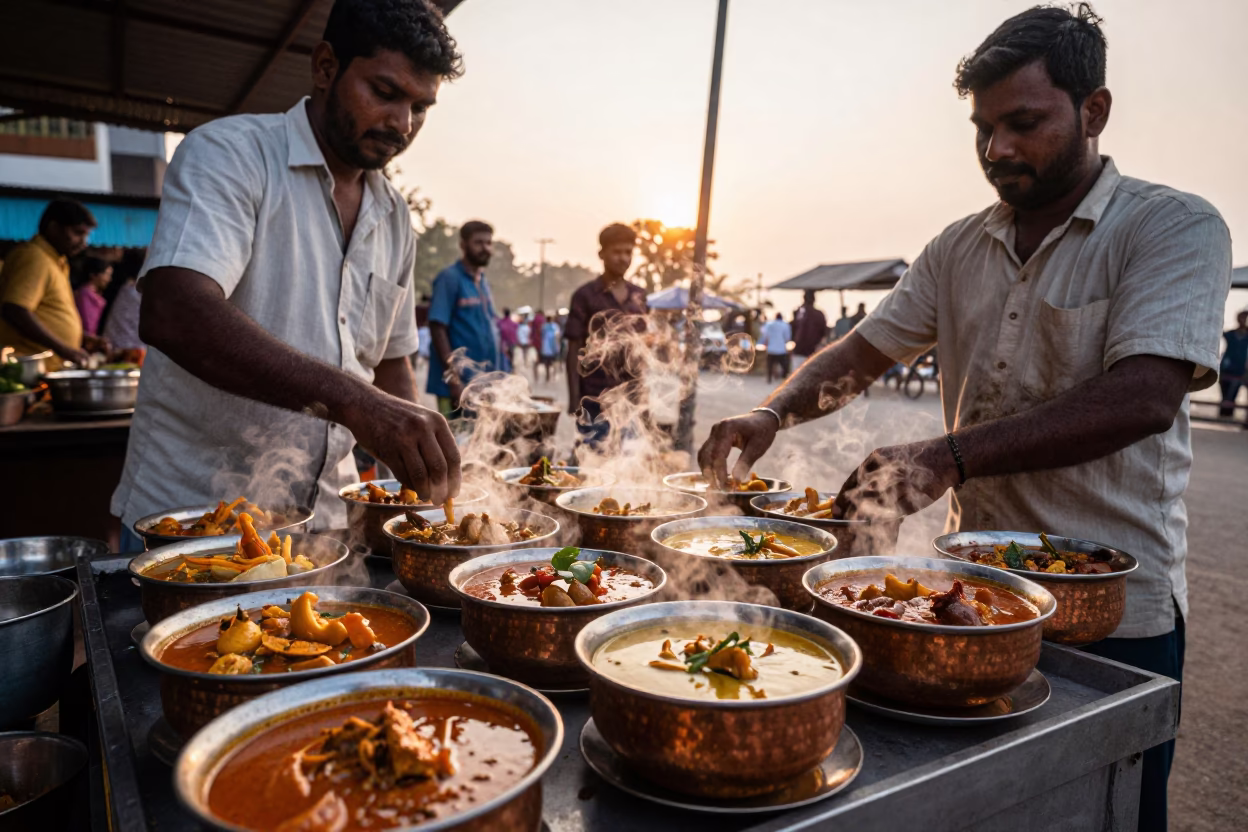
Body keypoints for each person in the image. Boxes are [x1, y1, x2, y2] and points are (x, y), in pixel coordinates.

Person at [698, 8, 1230, 831]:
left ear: (1094, 111)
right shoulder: (958, 247)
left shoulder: (1172, 226)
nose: (997, 151)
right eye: (982, 130)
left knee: (1106, 808)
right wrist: (769, 416)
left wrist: (948, 455)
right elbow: (862, 352)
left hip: (1113, 616)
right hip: (972, 600)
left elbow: (1143, 398)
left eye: (1023, 124)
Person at [111, 0, 465, 544]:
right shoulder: (232, 154)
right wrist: (356, 402)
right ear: (326, 67)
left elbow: (392, 367)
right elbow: (175, 310)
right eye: (385, 93)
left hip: (328, 524)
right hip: (198, 525)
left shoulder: (394, 217)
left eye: (421, 107)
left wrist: (423, 478)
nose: (402, 124)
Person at [564, 223, 648, 449]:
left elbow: (641, 350)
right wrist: (574, 397)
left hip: (629, 399)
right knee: (593, 461)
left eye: (628, 252)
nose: (623, 258)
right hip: (594, 398)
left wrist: (643, 394)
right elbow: (573, 349)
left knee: (629, 461)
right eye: (617, 252)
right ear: (602, 254)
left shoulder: (639, 296)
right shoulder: (585, 296)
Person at [0, 198, 98, 367]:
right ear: (53, 228)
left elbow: (46, 313)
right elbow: (15, 309)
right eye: (78, 233)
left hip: (48, 368)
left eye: (86, 235)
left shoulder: (55, 261)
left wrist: (83, 338)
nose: (84, 242)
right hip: (26, 368)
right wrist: (62, 348)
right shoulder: (34, 257)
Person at [427, 220, 501, 416]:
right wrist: (454, 380)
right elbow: (437, 328)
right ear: (463, 245)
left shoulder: (483, 281)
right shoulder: (449, 279)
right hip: (456, 386)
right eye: (478, 242)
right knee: (455, 442)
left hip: (482, 385)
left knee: (481, 443)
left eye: (488, 243)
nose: (485, 248)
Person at [1218, 311, 1247, 420]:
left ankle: (1228, 418)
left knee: (1232, 396)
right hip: (1226, 370)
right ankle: (1222, 418)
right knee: (1224, 396)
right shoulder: (1230, 334)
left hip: (1240, 371)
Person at [74, 257, 114, 336]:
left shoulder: (93, 294)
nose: (109, 279)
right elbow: (87, 325)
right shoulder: (85, 294)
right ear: (93, 275)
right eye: (106, 275)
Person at [791, 290, 827, 368]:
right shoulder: (819, 314)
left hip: (799, 350)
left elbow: (792, 329)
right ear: (814, 299)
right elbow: (823, 332)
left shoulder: (798, 312)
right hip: (812, 351)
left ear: (803, 299)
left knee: (798, 376)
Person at [760, 312, 791, 383]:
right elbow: (787, 338)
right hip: (781, 349)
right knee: (784, 365)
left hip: (771, 348)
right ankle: (784, 379)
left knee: (770, 365)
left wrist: (765, 344)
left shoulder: (769, 324)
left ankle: (769, 378)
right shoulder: (785, 325)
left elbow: (765, 335)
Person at [536, 311, 560, 383]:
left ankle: (548, 375)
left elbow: (540, 335)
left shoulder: (543, 327)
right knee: (554, 361)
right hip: (553, 347)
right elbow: (557, 336)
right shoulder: (555, 326)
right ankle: (554, 373)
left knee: (547, 363)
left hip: (546, 348)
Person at [497, 307, 518, 372]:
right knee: (511, 356)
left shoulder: (500, 322)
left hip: (503, 343)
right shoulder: (513, 323)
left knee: (504, 357)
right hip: (512, 342)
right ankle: (512, 369)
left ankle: (506, 369)